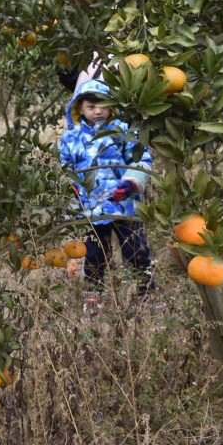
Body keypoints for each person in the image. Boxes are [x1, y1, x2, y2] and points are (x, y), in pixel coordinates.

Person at [58, 79, 154, 305]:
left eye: (103, 105)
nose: (98, 111)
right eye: (91, 107)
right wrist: (73, 188)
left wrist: (131, 184)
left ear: (112, 106)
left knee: (135, 249)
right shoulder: (71, 137)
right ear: (79, 108)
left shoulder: (122, 130)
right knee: (94, 254)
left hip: (124, 205)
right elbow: (64, 167)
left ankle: (144, 294)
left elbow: (140, 159)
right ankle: (94, 297)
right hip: (91, 207)